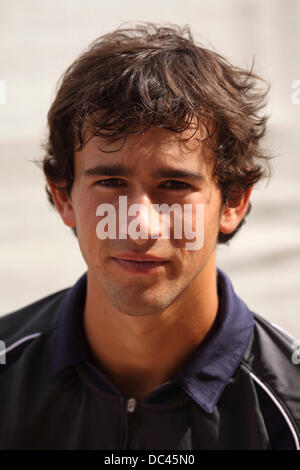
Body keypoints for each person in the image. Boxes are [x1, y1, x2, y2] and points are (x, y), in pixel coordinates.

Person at [0, 23, 299, 451]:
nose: (139, 224)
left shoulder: (290, 408)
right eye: (111, 182)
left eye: (175, 185)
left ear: (232, 201)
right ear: (63, 196)